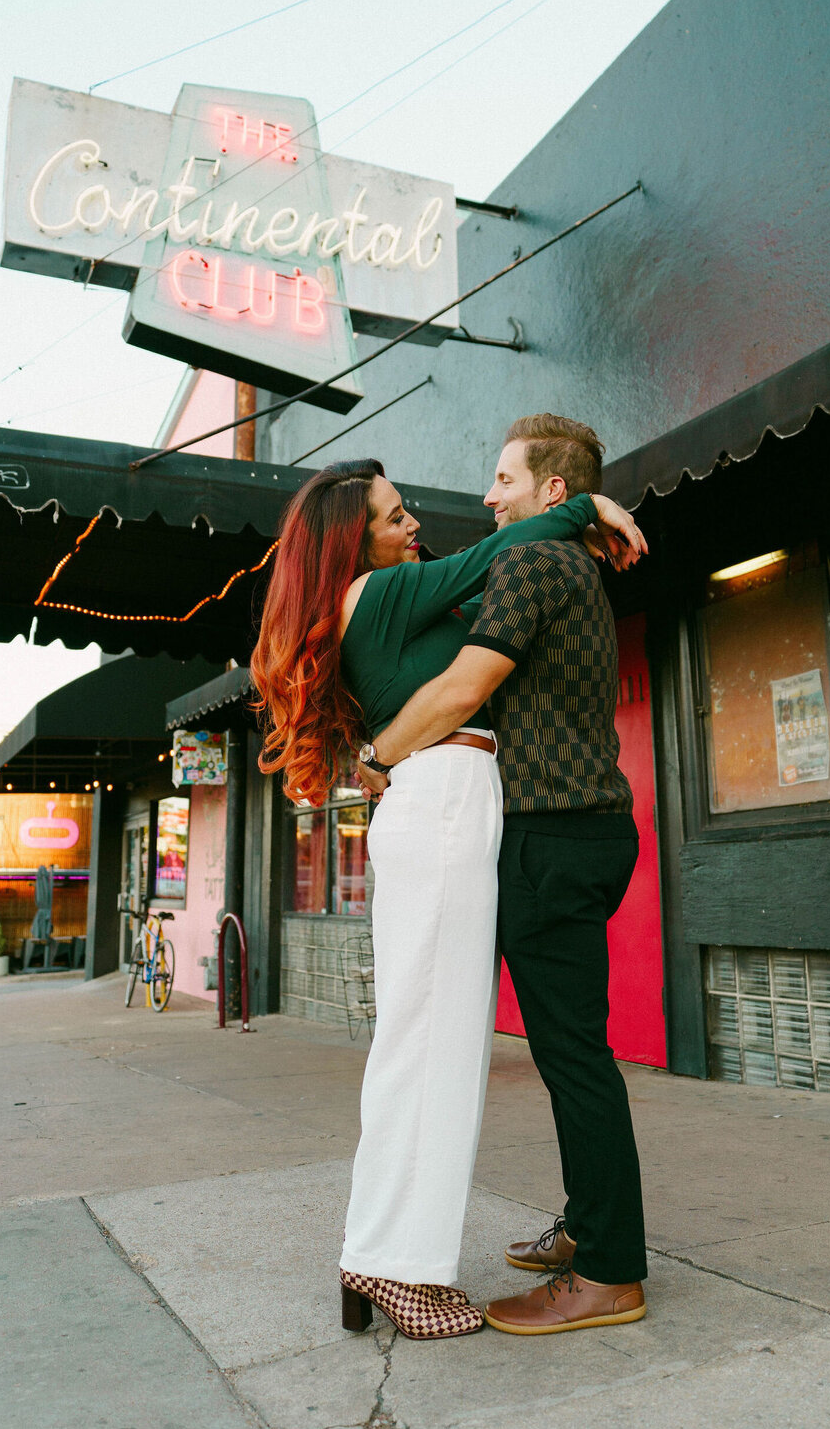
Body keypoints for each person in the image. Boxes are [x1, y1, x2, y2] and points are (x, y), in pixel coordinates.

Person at [250, 457, 645, 1341]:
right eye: (394, 519)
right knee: (433, 1049)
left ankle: (382, 1256)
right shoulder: (375, 593)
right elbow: (494, 556)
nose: (413, 527)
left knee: (431, 1044)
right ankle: (398, 1269)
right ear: (352, 543)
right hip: (442, 802)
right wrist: (588, 503)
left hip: (444, 802)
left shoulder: (385, 598)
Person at [367, 414, 649, 1335]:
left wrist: (377, 758)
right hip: (584, 829)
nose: (488, 497)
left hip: (550, 835)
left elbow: (463, 688)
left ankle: (608, 1272)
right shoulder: (573, 563)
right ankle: (589, 1226)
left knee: (573, 1057)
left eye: (503, 480)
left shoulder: (530, 562)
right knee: (575, 1050)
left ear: (551, 492)